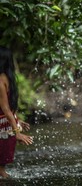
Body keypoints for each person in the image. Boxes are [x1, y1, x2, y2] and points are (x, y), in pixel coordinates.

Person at [0, 46, 33, 178]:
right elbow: (9, 108)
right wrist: (17, 121)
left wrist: (17, 133)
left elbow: (5, 109)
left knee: (1, 173)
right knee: (2, 173)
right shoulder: (9, 78)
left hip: (3, 128)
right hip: (5, 127)